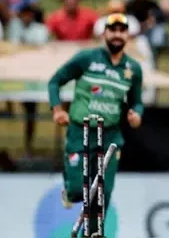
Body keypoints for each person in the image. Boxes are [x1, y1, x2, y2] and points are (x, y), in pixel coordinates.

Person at [48, 13, 144, 232]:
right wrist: (57, 110)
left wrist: (136, 114)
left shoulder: (133, 69)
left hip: (110, 135)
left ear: (127, 35)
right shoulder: (87, 58)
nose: (117, 35)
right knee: (76, 191)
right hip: (79, 132)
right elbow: (55, 81)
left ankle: (92, 233)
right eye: (113, 30)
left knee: (102, 192)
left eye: (122, 30)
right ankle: (69, 190)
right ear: (104, 33)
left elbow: (137, 102)